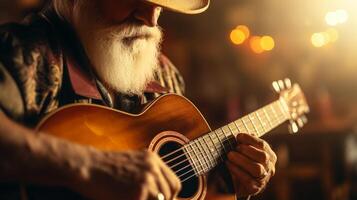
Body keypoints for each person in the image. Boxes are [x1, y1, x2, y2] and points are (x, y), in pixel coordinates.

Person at [0, 0, 277, 199]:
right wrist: (89, 166)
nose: (152, 19)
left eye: (161, 4)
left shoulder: (165, 74)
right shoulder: (21, 53)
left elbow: (181, 185)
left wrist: (235, 182)